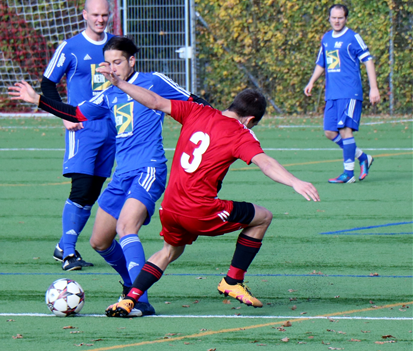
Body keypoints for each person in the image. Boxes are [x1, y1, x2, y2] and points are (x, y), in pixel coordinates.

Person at [10, 36, 210, 316]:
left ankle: (139, 300)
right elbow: (77, 112)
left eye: (118, 62)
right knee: (99, 241)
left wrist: (226, 124)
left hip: (149, 169)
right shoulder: (109, 94)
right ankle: (131, 286)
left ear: (131, 61)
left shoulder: (154, 81)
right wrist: (38, 100)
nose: (113, 68)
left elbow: (196, 103)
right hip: (121, 174)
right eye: (109, 63)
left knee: (126, 228)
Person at [94, 77, 320, 316]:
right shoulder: (241, 134)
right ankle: (232, 281)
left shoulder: (197, 111)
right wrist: (295, 181)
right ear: (251, 119)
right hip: (198, 209)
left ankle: (129, 300)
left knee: (170, 251)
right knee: (263, 217)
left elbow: (155, 102)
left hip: (170, 208)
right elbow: (265, 163)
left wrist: (120, 83)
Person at [39, 0, 116, 271]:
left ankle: (63, 246)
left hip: (110, 130)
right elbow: (47, 85)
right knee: (81, 188)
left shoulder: (115, 45)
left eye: (104, 15)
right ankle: (68, 252)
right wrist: (63, 114)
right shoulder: (70, 47)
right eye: (95, 15)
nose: (100, 19)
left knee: (92, 193)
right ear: (84, 15)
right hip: (81, 128)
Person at [304, 4, 380, 183]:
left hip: (349, 92)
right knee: (330, 132)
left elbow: (368, 61)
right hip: (332, 94)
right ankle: (362, 157)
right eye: (334, 17)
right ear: (329, 18)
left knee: (346, 131)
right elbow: (322, 63)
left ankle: (348, 174)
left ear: (346, 19)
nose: (337, 21)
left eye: (340, 18)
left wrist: (374, 87)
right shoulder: (327, 38)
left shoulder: (353, 38)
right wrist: (312, 81)